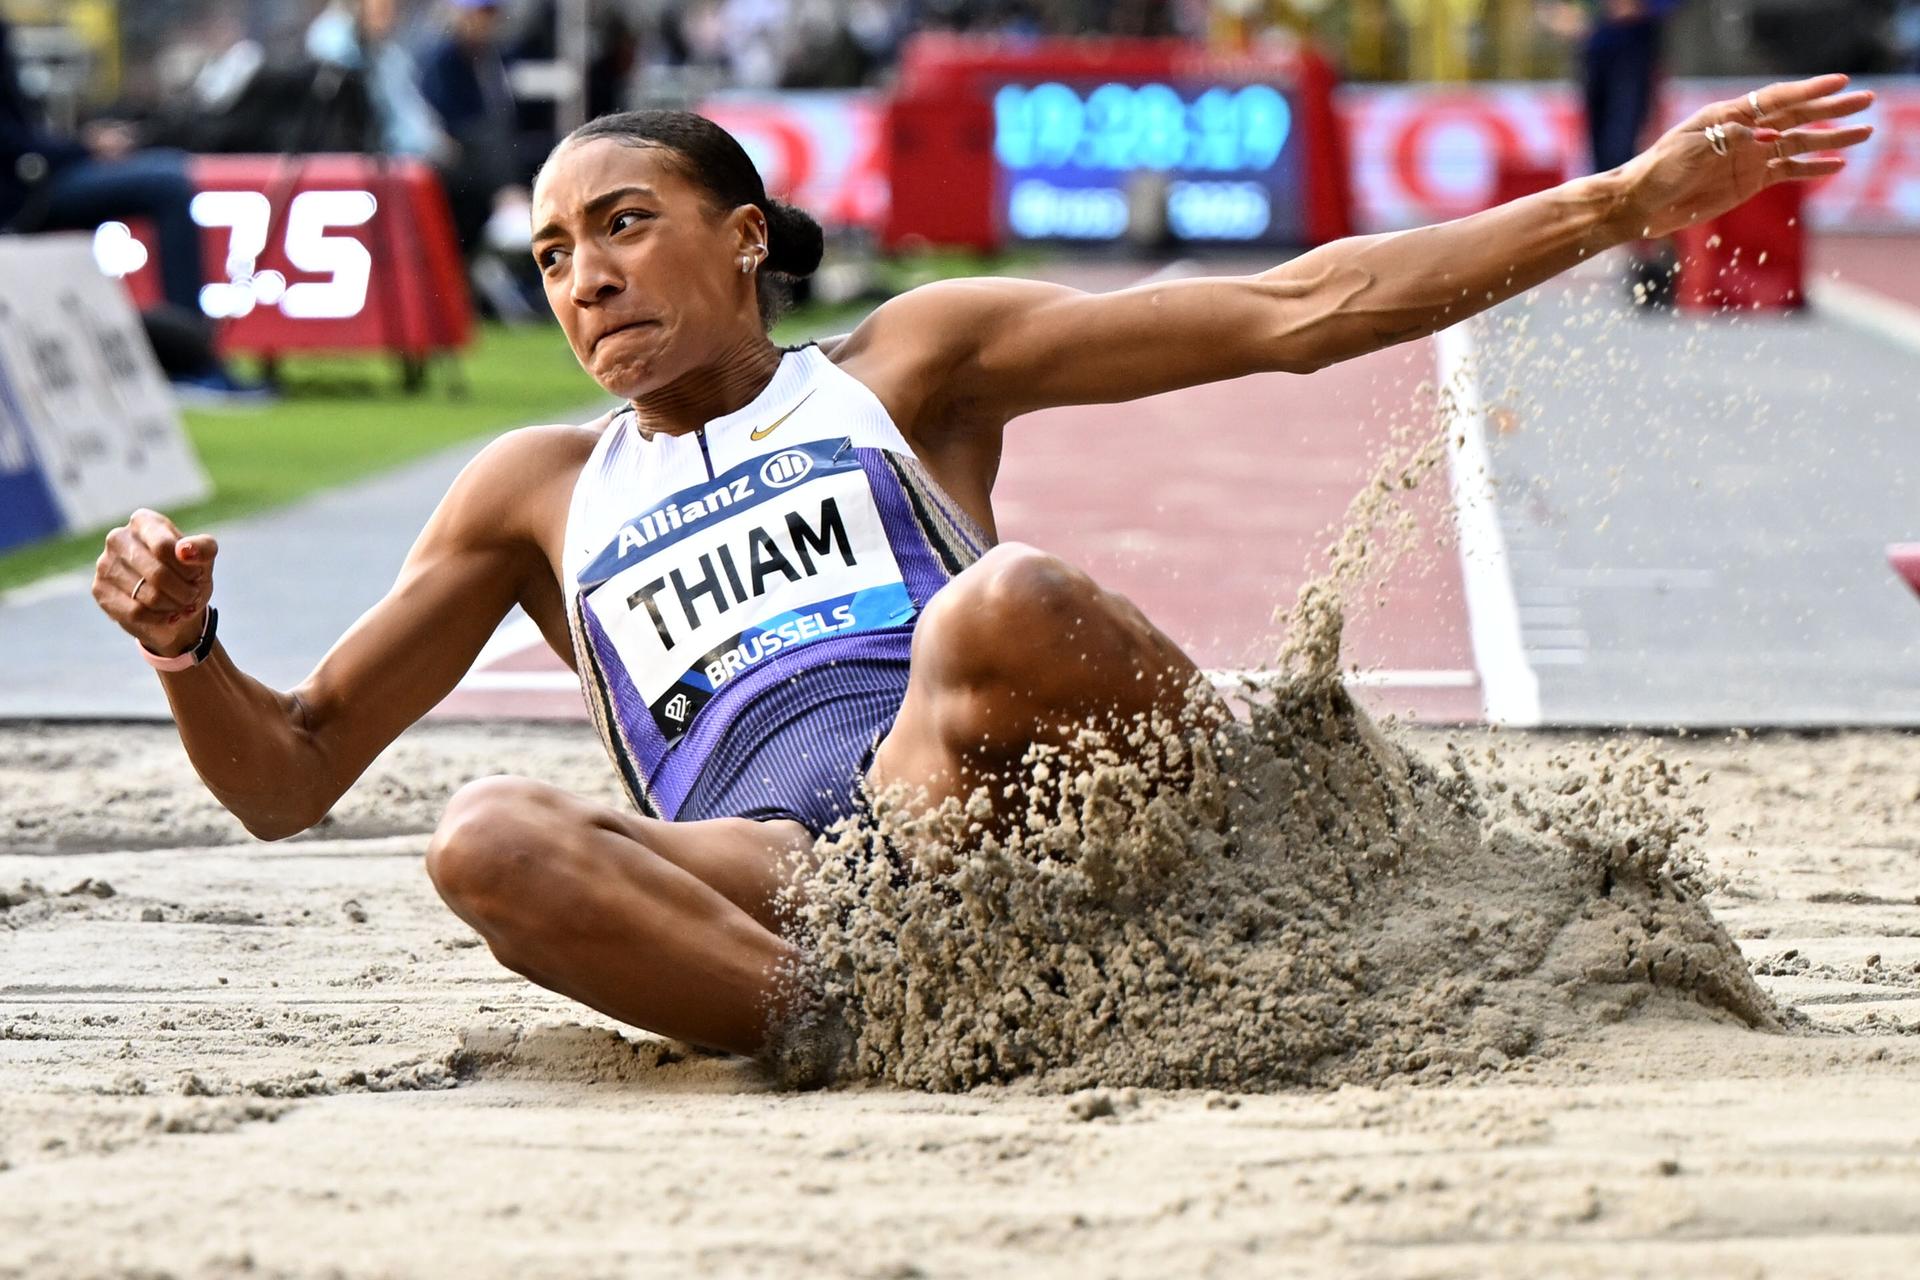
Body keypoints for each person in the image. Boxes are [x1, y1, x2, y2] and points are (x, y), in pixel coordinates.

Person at [90, 78, 1873, 1065]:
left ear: (747, 238)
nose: (585, 280)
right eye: (552, 254)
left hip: (1001, 798)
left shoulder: (900, 370)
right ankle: (863, 1030)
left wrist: (1615, 207)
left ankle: (1244, 848)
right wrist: (189, 653)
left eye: (624, 226)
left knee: (1000, 602)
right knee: (480, 832)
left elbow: (1288, 313)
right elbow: (292, 773)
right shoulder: (532, 490)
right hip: (787, 888)